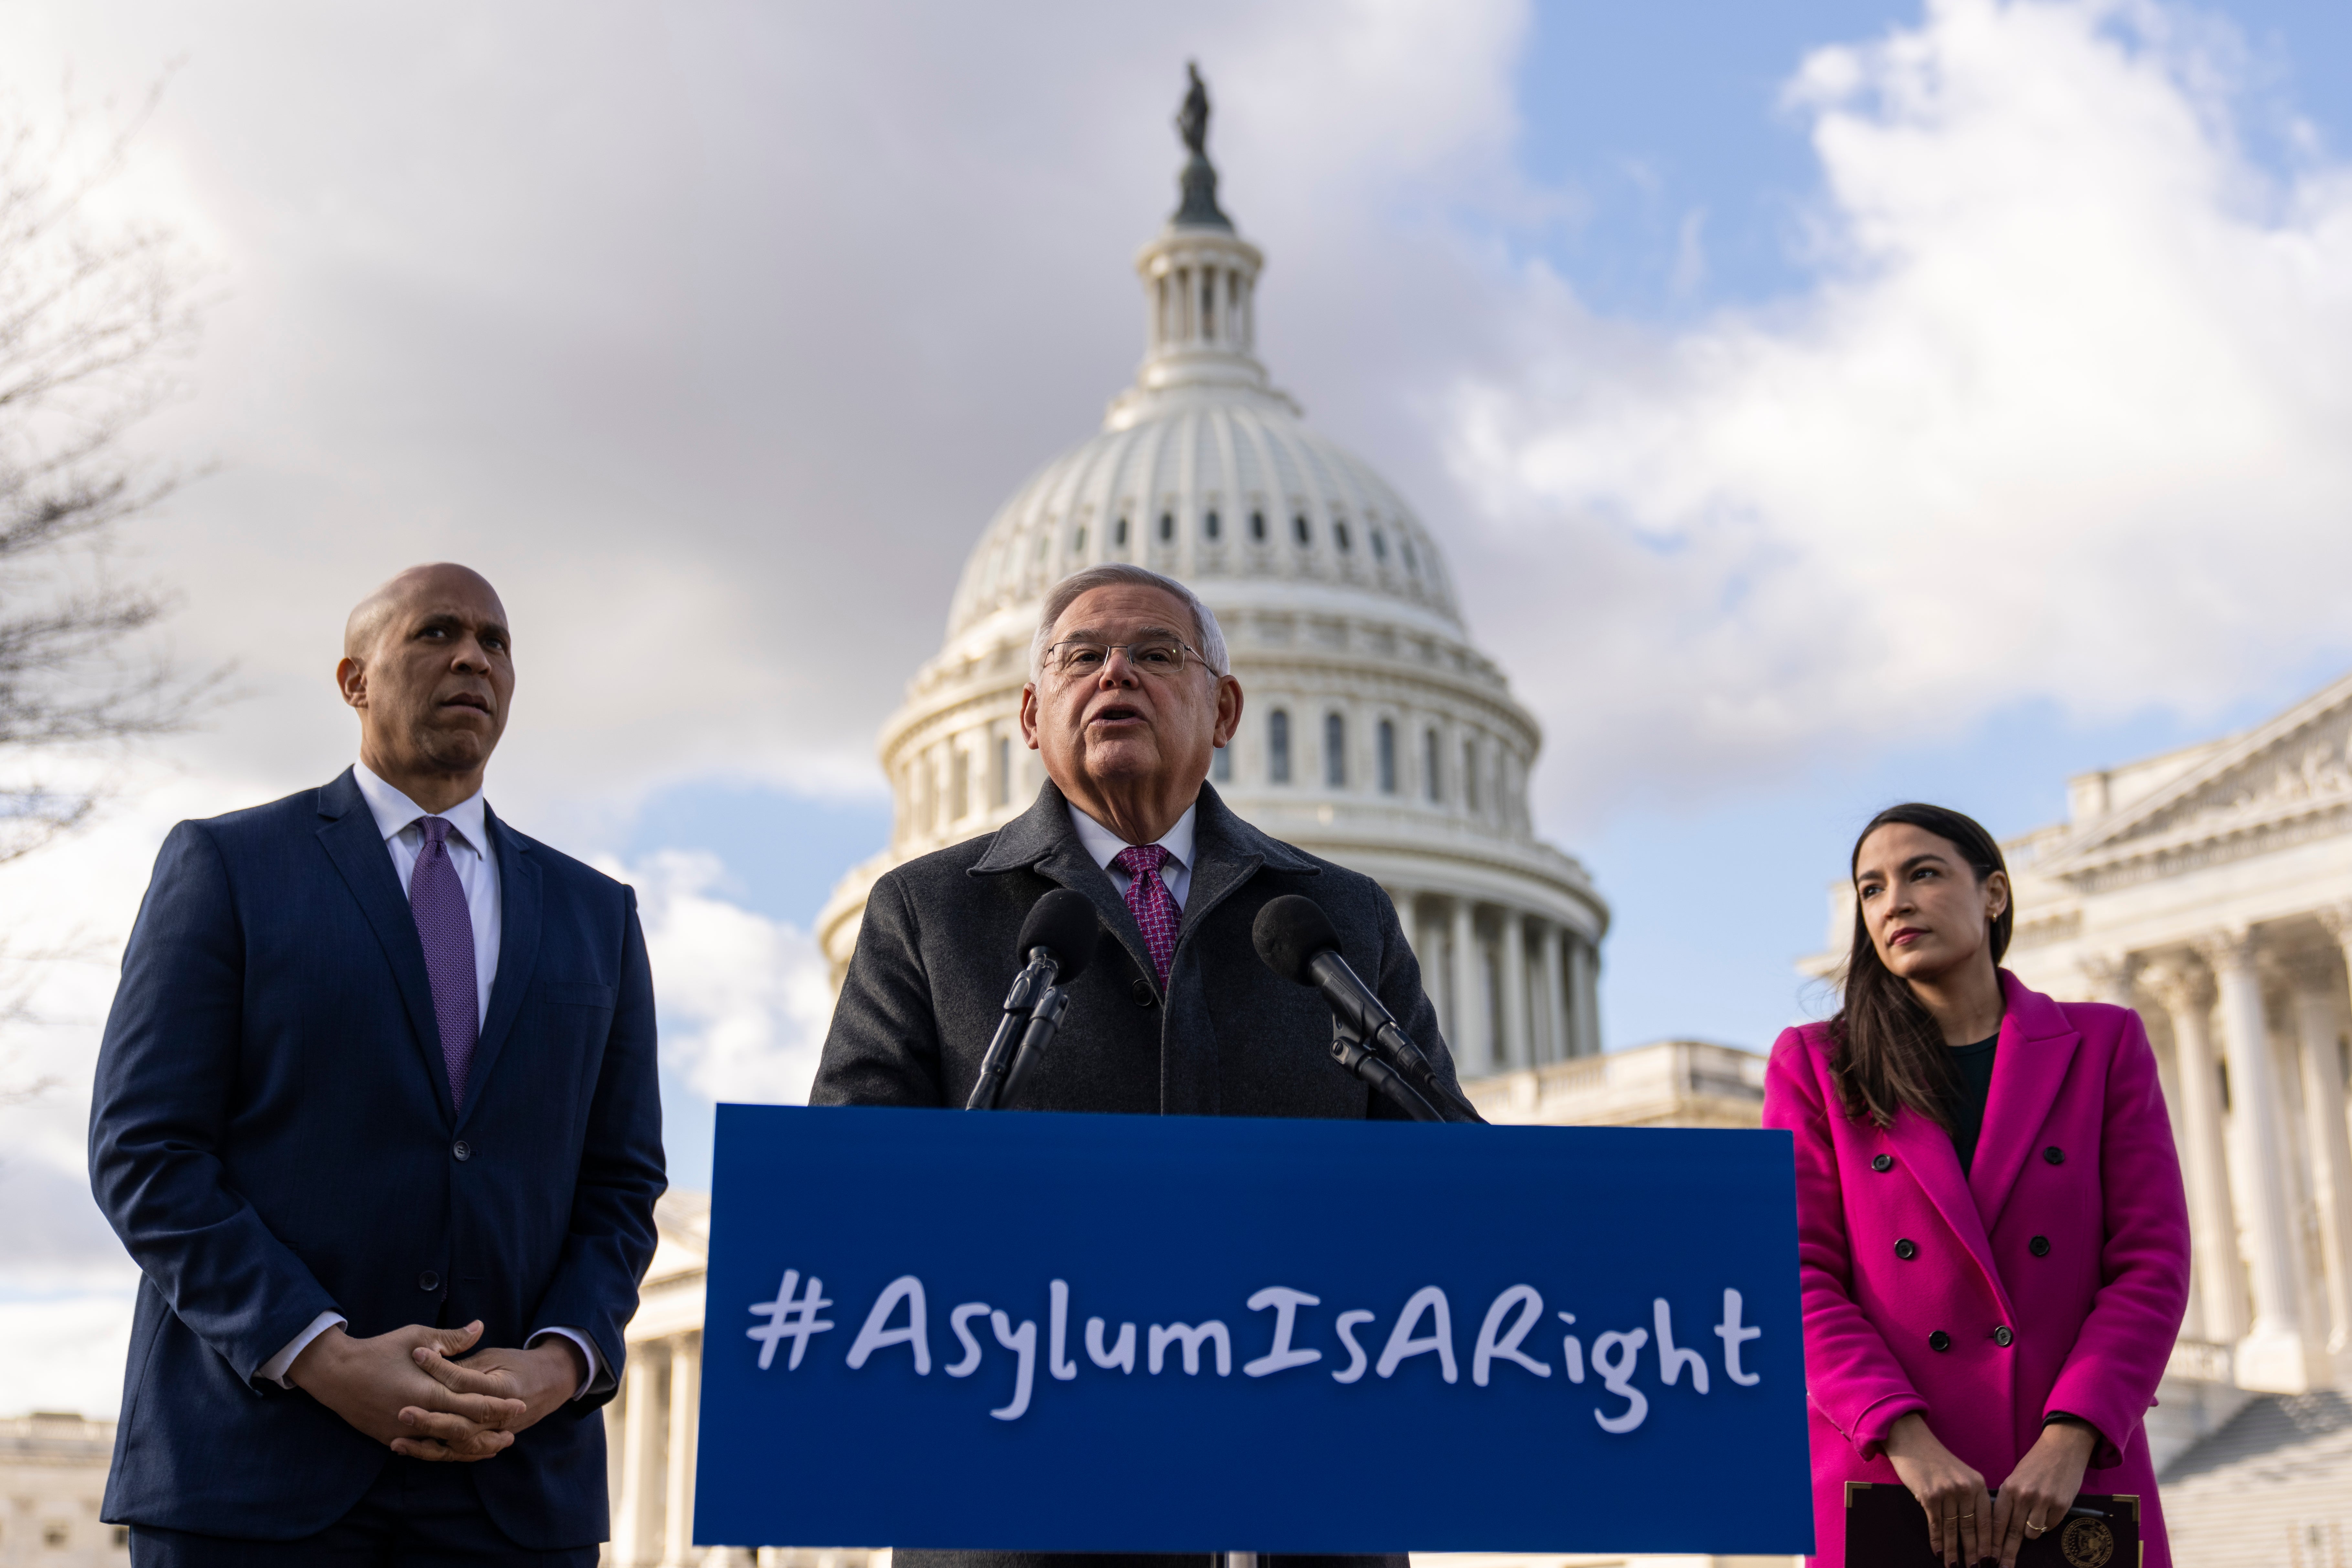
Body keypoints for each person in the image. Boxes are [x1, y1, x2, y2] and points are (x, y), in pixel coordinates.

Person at [813, 562, 1457, 1567]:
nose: (1115, 673)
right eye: (1080, 656)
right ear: (1031, 716)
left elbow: (1446, 1179)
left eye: (1156, 653)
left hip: (1296, 1501)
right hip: (1017, 1505)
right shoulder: (926, 912)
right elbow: (848, 1192)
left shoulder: (1338, 916)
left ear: (1225, 709)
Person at [89, 563, 666, 1565]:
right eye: (437, 632)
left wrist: (560, 1363)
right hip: (254, 1474)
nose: (474, 657)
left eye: (496, 641)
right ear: (355, 680)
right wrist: (321, 1352)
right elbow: (146, 1150)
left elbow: (621, 1182)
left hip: (512, 1491)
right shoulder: (227, 866)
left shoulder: (597, 915)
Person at [1763, 803, 2190, 1568]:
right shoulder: (1816, 1064)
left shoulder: (2103, 1045)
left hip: (2068, 1475)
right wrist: (1902, 1433)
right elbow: (1793, 1275)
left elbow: (2150, 1261)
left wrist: (2072, 1433)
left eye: (1921, 873)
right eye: (1871, 888)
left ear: (1993, 893)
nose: (1893, 902)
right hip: (1887, 1475)